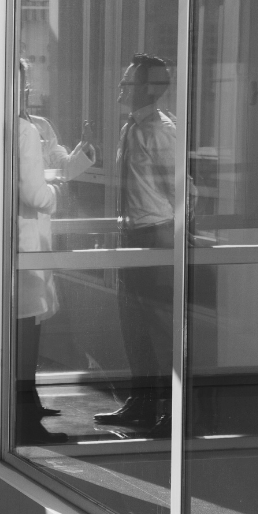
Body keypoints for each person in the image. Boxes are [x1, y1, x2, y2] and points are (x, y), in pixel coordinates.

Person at [94, 54, 176, 435]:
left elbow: (179, 190)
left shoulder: (160, 131)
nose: (121, 87)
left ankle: (170, 411)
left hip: (154, 235)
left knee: (158, 328)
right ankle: (142, 403)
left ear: (147, 88)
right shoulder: (131, 128)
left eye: (127, 82)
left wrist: (173, 237)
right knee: (134, 326)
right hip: (132, 235)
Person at [14, 60, 68, 444]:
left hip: (23, 241)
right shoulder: (23, 130)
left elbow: (58, 160)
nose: (25, 91)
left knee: (26, 328)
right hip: (25, 243)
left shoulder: (25, 127)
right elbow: (35, 194)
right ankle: (26, 417)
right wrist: (56, 195)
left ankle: (28, 404)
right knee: (26, 331)